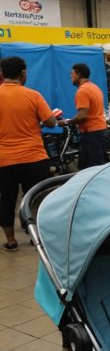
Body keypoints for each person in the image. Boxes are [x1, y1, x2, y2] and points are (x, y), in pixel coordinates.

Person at [0, 56, 57, 251]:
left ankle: (10, 241)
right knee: (35, 197)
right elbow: (50, 121)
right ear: (23, 73)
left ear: (2, 74)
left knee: (6, 199)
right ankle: (36, 237)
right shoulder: (33, 95)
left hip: (4, 159)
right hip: (34, 157)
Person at [60, 64, 108, 169]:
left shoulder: (82, 91)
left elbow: (82, 116)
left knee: (90, 170)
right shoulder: (95, 87)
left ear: (78, 75)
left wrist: (67, 122)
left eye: (72, 74)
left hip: (91, 134)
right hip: (100, 131)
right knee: (98, 167)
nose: (70, 77)